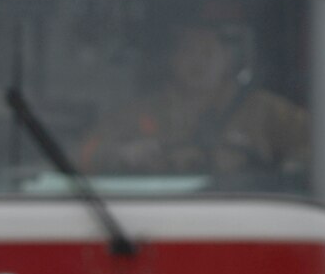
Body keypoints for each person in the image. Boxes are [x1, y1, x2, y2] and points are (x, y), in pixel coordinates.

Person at [79, 18, 309, 180]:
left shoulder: (264, 109)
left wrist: (286, 171)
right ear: (172, 59)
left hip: (245, 217)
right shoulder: (140, 112)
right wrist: (122, 154)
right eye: (188, 50)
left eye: (208, 52)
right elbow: (84, 154)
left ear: (227, 60)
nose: (198, 62)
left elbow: (318, 147)